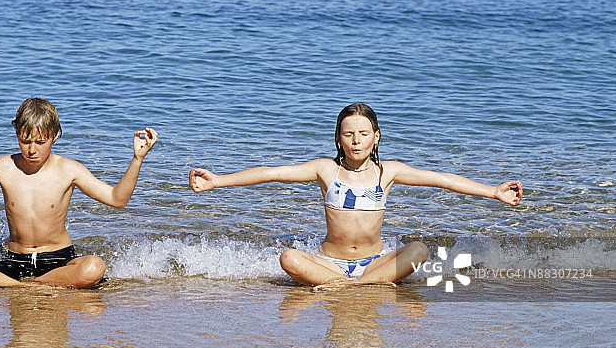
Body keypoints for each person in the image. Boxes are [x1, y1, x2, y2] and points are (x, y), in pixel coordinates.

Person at [189, 103, 522, 287]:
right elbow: (272, 173)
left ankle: (353, 286)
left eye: (363, 133)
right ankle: (358, 285)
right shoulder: (325, 169)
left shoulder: (387, 171)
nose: (356, 140)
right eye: (348, 134)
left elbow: (442, 180)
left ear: (376, 137)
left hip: (375, 262)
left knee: (419, 249)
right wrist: (218, 181)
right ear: (339, 138)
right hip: (328, 262)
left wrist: (493, 192)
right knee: (289, 258)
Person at [0, 97, 158, 288]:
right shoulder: (3, 166)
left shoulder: (69, 169)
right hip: (13, 261)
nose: (32, 150)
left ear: (55, 136)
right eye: (25, 140)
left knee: (94, 267)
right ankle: (21, 287)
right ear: (17, 133)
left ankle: (33, 285)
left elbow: (117, 199)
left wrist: (137, 159)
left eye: (40, 142)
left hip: (59, 261)